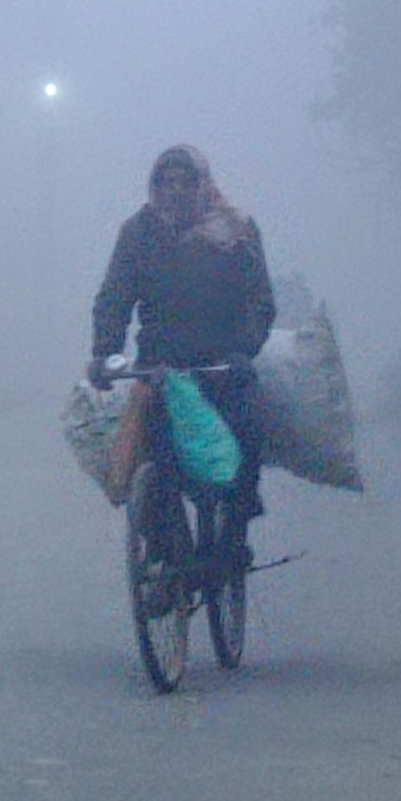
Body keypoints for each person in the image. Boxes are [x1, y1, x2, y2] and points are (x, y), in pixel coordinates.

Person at [89, 144, 275, 524]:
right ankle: (163, 553)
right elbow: (114, 298)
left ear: (202, 184)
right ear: (154, 185)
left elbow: (260, 300)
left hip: (224, 365)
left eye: (185, 182)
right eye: (166, 182)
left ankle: (235, 537)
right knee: (156, 462)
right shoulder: (138, 233)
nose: (175, 190)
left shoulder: (235, 230)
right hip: (161, 370)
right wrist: (104, 353)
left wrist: (244, 349)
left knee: (246, 436)